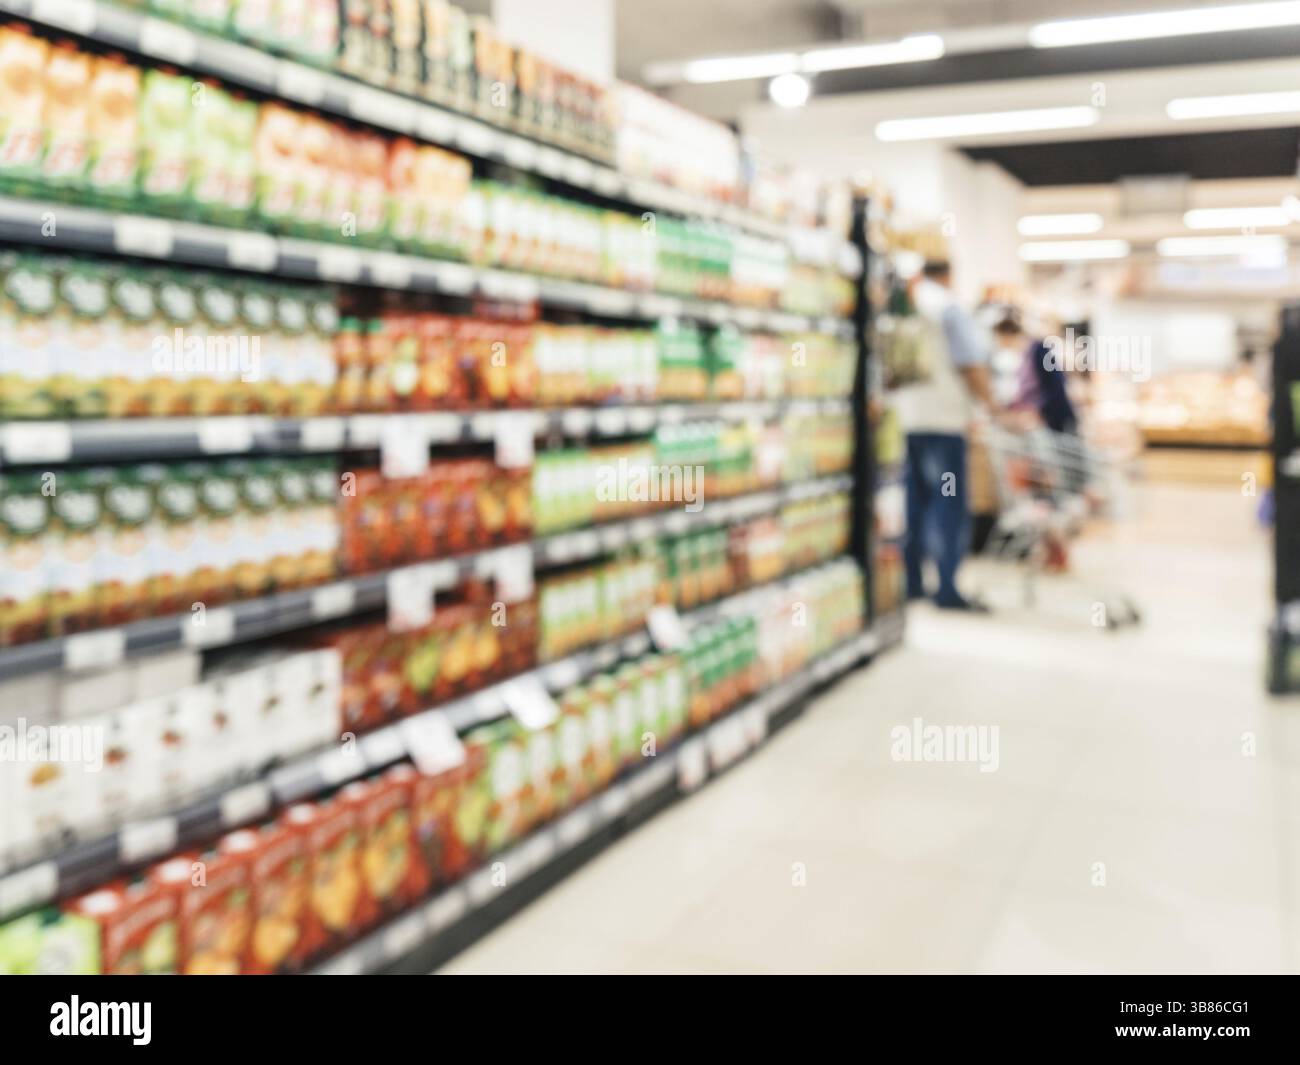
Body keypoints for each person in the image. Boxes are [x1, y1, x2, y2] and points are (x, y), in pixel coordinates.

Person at [894, 260, 995, 611]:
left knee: (915, 503)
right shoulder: (950, 309)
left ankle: (912, 582)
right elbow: (971, 364)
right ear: (949, 275)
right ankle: (948, 586)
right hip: (946, 424)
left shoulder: (904, 304)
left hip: (909, 420)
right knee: (948, 502)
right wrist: (992, 406)